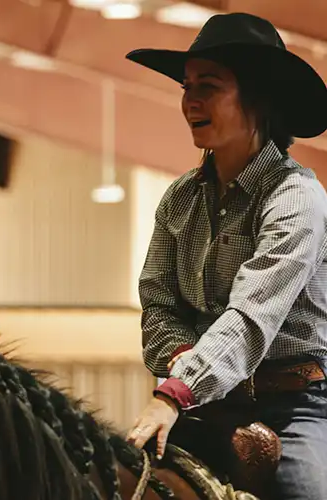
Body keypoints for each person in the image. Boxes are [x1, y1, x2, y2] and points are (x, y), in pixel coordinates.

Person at [122, 12, 327, 499]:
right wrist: (182, 359)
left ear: (257, 98)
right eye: (187, 86)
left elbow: (253, 315)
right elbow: (157, 303)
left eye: (207, 86)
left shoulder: (296, 197)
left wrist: (175, 391)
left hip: (294, 405)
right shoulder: (179, 199)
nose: (189, 100)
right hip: (202, 403)